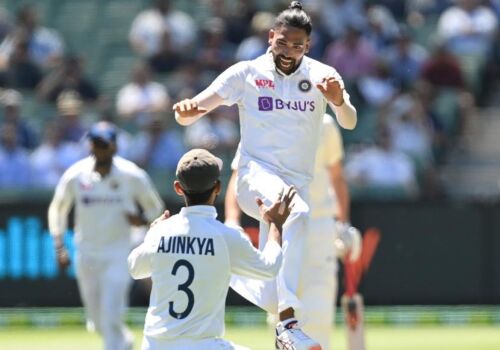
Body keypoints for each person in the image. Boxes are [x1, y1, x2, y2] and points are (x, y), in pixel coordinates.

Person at [172, 2, 357, 348]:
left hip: (295, 183)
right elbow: (196, 108)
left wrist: (338, 101)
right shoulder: (246, 73)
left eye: (297, 45)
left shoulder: (321, 75)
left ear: (308, 46)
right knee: (297, 212)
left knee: (288, 234)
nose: (288, 52)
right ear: (271, 36)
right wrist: (186, 112)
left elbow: (349, 121)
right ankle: (287, 323)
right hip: (254, 177)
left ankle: (242, 275)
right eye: (282, 42)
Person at [128, 148, 296, 350]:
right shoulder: (226, 236)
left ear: (178, 188)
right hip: (204, 345)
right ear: (217, 187)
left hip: (154, 345)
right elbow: (269, 268)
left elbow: (135, 269)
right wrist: (275, 225)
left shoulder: (162, 230)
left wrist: (152, 234)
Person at [225, 114, 361, 350]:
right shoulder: (261, 121)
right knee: (279, 309)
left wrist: (343, 222)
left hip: (319, 227)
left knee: (318, 309)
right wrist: (231, 220)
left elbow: (336, 177)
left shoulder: (325, 125)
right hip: (279, 227)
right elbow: (239, 175)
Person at [48, 121, 165, 350]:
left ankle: (117, 344)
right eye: (96, 144)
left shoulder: (132, 175)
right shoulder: (77, 175)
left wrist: (141, 220)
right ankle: (124, 342)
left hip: (119, 252)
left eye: (105, 145)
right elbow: (58, 208)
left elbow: (156, 208)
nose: (100, 149)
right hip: (87, 253)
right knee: (97, 322)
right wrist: (59, 245)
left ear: (114, 147)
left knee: (112, 315)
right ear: (90, 146)